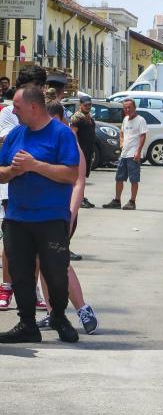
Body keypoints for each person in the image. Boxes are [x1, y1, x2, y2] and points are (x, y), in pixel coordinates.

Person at [0, 85, 80, 343]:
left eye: (17, 106)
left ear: (33, 107)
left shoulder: (61, 134)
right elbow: (0, 171)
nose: (13, 110)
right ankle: (27, 324)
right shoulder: (15, 135)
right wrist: (13, 171)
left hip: (51, 217)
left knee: (56, 273)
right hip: (17, 217)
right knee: (20, 273)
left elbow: (70, 174)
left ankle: (58, 316)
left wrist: (35, 166)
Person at [37, 101, 98, 334]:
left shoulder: (69, 142)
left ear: (61, 119)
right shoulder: (41, 139)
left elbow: (78, 182)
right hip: (41, 212)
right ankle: (52, 313)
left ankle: (83, 310)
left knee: (59, 263)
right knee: (41, 262)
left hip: (62, 214)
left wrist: (70, 215)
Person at [0, 66, 49, 313]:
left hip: (40, 190)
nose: (41, 91)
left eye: (42, 87)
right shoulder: (10, 113)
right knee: (12, 245)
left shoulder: (44, 114)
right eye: (37, 87)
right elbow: (9, 146)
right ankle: (6, 285)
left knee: (38, 246)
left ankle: (32, 290)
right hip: (12, 189)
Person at [103, 98, 147, 211]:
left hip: (134, 155)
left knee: (134, 179)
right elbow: (122, 132)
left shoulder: (140, 120)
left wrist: (138, 150)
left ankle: (132, 202)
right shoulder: (125, 119)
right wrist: (122, 143)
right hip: (124, 154)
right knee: (119, 178)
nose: (127, 110)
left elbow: (143, 136)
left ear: (134, 108)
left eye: (129, 107)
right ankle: (117, 201)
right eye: (125, 108)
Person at [70, 96, 95, 209]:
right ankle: (78, 199)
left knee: (83, 176)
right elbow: (73, 134)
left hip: (88, 151)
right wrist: (77, 149)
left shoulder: (88, 116)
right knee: (79, 177)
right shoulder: (77, 117)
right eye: (86, 105)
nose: (88, 107)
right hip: (81, 151)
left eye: (89, 105)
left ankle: (82, 197)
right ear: (80, 105)